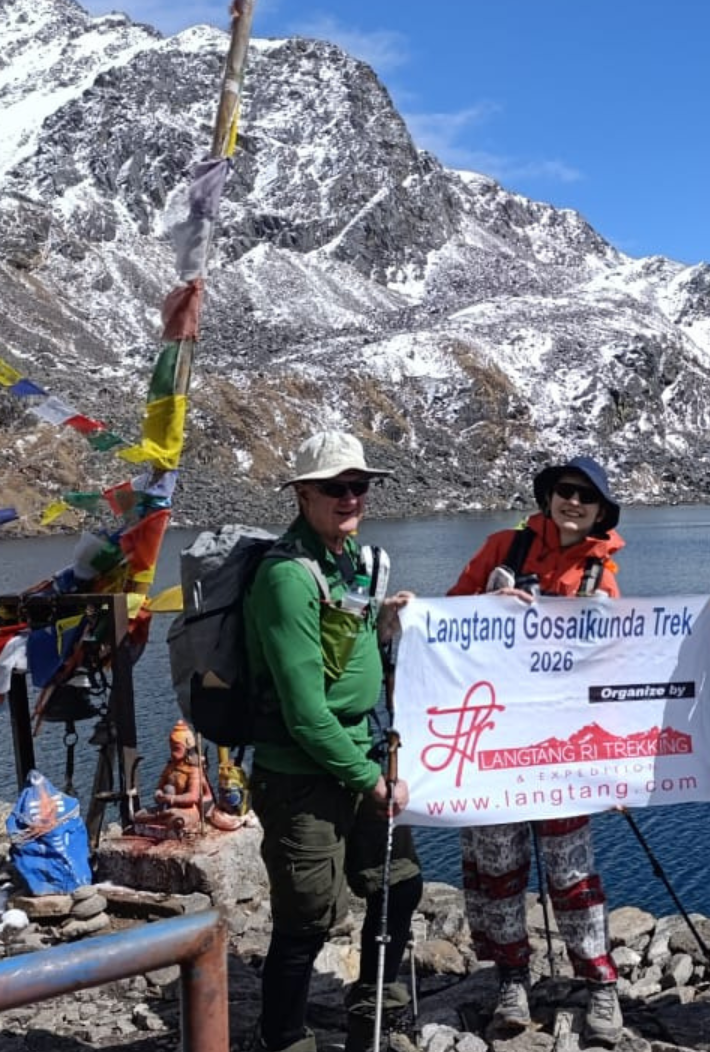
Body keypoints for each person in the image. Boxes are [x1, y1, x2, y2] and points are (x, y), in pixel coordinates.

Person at [248, 431, 419, 1052]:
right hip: (302, 773)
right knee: (306, 922)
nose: (351, 498)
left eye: (359, 486)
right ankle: (285, 1039)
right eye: (335, 488)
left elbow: (353, 649)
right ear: (301, 494)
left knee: (398, 883)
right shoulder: (287, 578)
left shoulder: (348, 561)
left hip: (359, 755)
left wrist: (392, 620)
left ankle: (376, 1012)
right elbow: (304, 712)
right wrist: (369, 779)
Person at [447, 456, 626, 1043]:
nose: (572, 502)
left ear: (600, 511)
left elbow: (620, 669)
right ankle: (511, 979)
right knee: (496, 869)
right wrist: (486, 606)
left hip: (563, 754)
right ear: (548, 497)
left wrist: (621, 766)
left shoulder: (604, 574)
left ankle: (600, 985)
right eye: (563, 491)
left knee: (572, 873)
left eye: (585, 497)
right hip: (495, 744)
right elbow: (444, 624)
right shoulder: (504, 548)